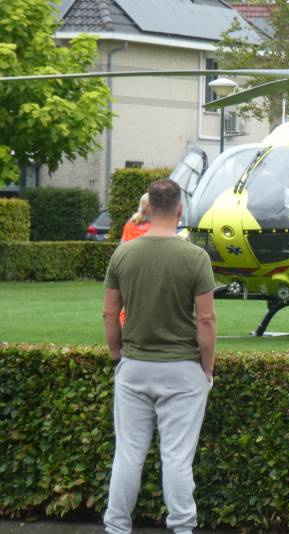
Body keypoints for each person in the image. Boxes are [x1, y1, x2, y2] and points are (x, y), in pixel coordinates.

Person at [102, 178, 217, 534]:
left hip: (135, 367)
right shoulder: (195, 257)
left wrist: (118, 356)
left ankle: (117, 526)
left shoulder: (123, 253)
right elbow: (207, 319)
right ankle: (182, 528)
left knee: (128, 454)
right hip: (182, 370)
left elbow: (109, 314)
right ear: (180, 209)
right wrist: (206, 370)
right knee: (177, 459)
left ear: (148, 208)